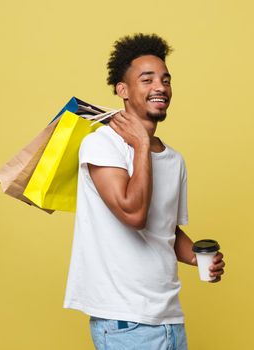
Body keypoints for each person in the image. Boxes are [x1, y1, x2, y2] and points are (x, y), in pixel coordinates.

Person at [63, 33, 225, 349]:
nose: (160, 87)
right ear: (121, 90)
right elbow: (133, 213)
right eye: (147, 79)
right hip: (125, 323)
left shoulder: (174, 159)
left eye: (165, 80)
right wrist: (139, 144)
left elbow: (164, 229)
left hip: (170, 321)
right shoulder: (100, 145)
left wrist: (196, 257)